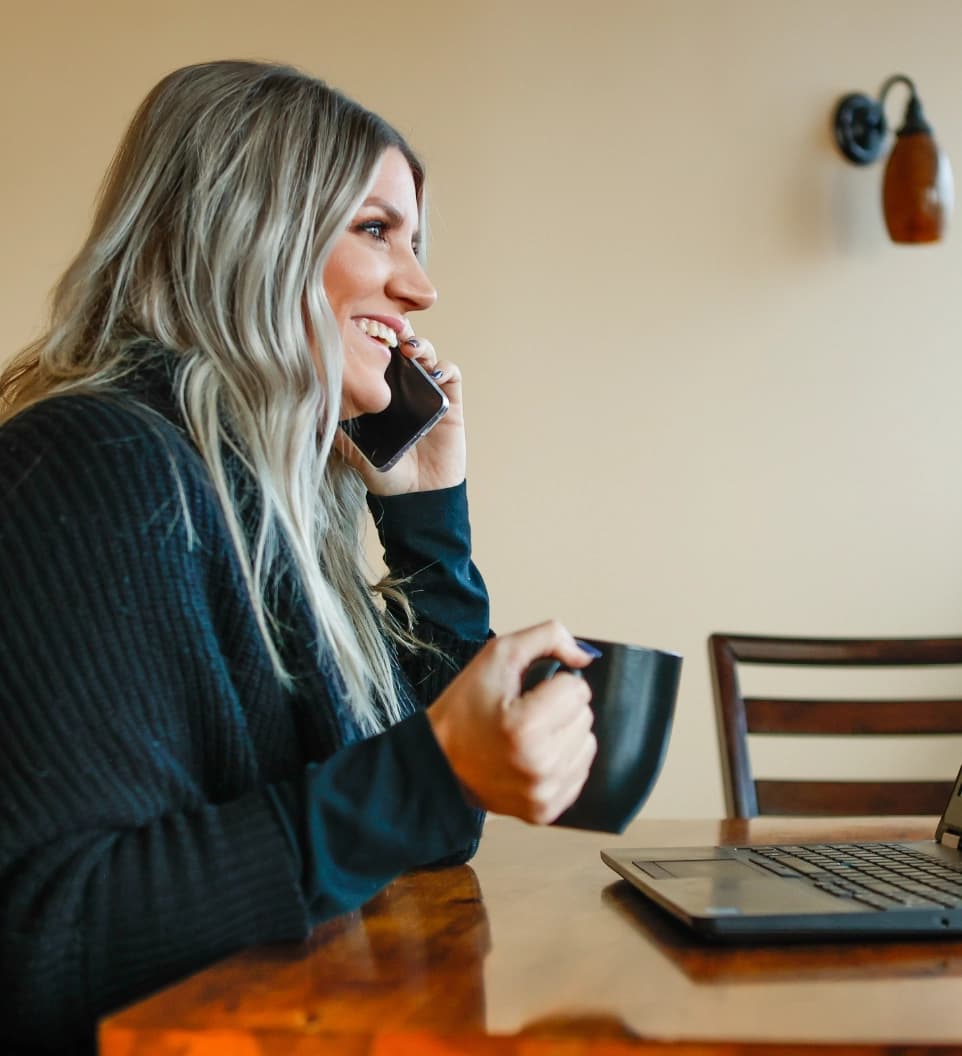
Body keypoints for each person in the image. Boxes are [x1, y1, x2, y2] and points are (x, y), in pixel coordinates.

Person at [0, 60, 598, 1054]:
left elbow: (435, 829)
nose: (419, 285)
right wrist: (435, 774)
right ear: (244, 231)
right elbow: (55, 937)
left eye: (415, 241)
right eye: (375, 231)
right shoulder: (96, 463)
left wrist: (424, 515)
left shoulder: (258, 501)